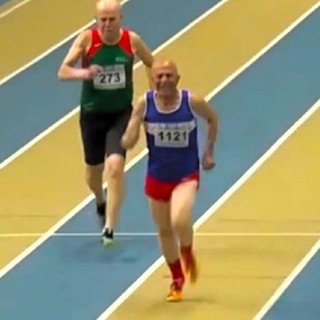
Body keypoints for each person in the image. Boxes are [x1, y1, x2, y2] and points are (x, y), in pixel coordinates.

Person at [57, 0, 154, 246]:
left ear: (120, 18)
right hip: (92, 115)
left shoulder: (131, 41)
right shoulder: (86, 40)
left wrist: (153, 98)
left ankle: (109, 227)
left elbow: (152, 63)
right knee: (93, 172)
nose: (107, 24)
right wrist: (84, 73)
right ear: (96, 20)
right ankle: (99, 199)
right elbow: (63, 71)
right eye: (103, 20)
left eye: (112, 19)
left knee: (115, 166)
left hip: (121, 114)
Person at [121, 59, 218, 302]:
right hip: (157, 176)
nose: (164, 80)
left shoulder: (191, 101)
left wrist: (208, 151)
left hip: (186, 174)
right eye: (159, 76)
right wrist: (129, 135)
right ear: (152, 80)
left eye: (168, 76)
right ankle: (177, 279)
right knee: (164, 230)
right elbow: (130, 135)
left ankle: (186, 249)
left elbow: (212, 119)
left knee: (179, 219)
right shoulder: (145, 104)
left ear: (177, 78)